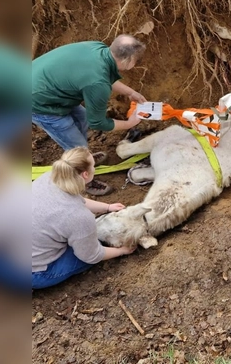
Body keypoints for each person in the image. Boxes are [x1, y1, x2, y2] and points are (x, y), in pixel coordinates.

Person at [32, 35, 148, 195]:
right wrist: (130, 123)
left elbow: (102, 76)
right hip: (38, 103)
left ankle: (86, 157)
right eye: (135, 60)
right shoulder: (98, 83)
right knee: (76, 146)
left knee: (83, 120)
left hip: (49, 88)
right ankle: (83, 180)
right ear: (127, 60)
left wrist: (130, 92)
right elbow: (98, 123)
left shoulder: (97, 48)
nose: (136, 64)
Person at [32, 147, 136, 289]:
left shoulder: (50, 177)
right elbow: (92, 255)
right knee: (94, 246)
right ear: (86, 174)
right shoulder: (78, 216)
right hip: (33, 273)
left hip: (7, 255)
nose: (95, 167)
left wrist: (107, 207)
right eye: (93, 165)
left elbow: (75, 201)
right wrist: (121, 251)